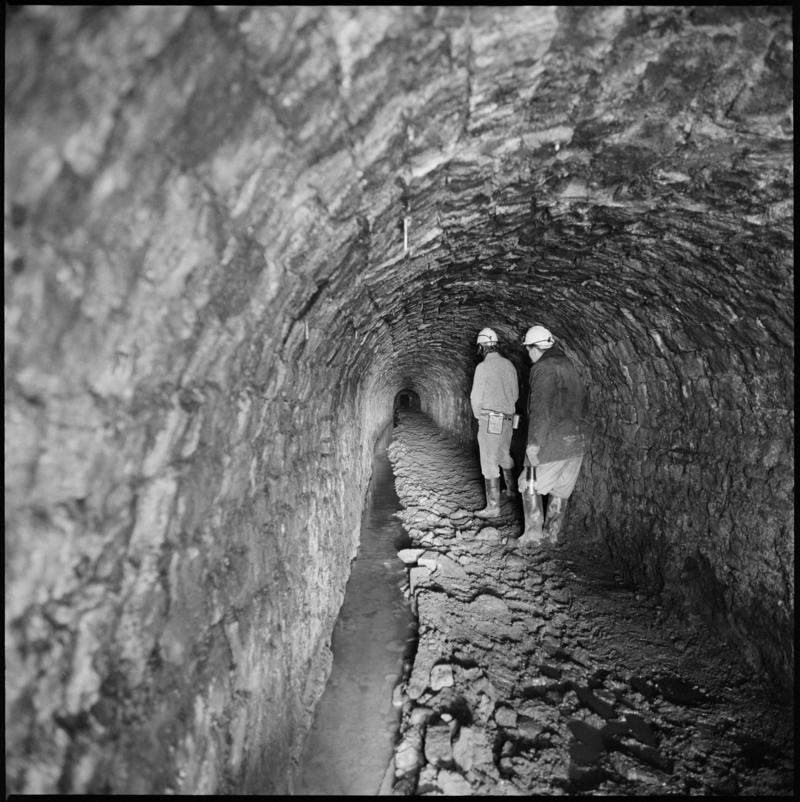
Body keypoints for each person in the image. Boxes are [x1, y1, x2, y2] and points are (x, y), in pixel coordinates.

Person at [517, 325, 590, 545]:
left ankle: (532, 536)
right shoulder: (568, 364)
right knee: (561, 489)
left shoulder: (544, 367)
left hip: (554, 442)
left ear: (533, 348)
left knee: (527, 484)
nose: (528, 355)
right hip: (576, 442)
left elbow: (541, 409)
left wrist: (534, 443)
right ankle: (552, 535)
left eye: (528, 350)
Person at [470, 327, 519, 518]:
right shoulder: (509, 365)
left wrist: (478, 416)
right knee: (503, 454)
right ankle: (512, 490)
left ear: (482, 347)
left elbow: (476, 397)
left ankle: (493, 507)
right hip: (507, 418)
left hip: (490, 419)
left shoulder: (482, 367)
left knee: (489, 460)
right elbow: (515, 394)